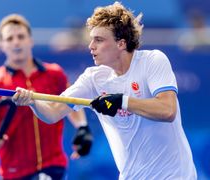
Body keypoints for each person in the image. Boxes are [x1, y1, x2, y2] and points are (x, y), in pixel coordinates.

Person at [12, 2, 197, 179]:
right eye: (91, 39)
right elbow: (52, 113)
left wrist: (122, 101)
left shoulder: (153, 60)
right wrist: (33, 103)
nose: (91, 46)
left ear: (121, 43)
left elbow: (167, 110)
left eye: (99, 40)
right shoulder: (94, 78)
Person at [0, 14, 92, 180]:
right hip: (14, 170)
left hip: (53, 166)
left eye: (21, 36)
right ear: (2, 45)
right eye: (10, 38)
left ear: (30, 40)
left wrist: (82, 126)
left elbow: (70, 103)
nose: (16, 42)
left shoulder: (54, 74)